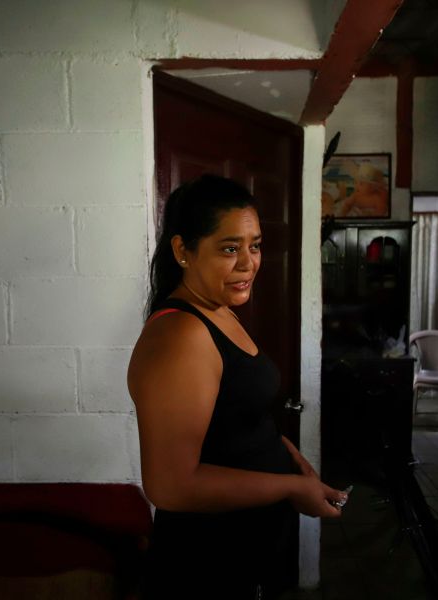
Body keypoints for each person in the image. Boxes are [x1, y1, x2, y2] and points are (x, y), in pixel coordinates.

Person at [128, 175, 347, 599]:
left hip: (249, 547)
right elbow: (170, 485)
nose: (249, 263)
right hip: (209, 563)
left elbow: (238, 416)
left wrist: (292, 460)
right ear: (182, 251)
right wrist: (290, 487)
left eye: (255, 245)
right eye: (230, 248)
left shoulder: (219, 311)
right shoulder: (182, 335)